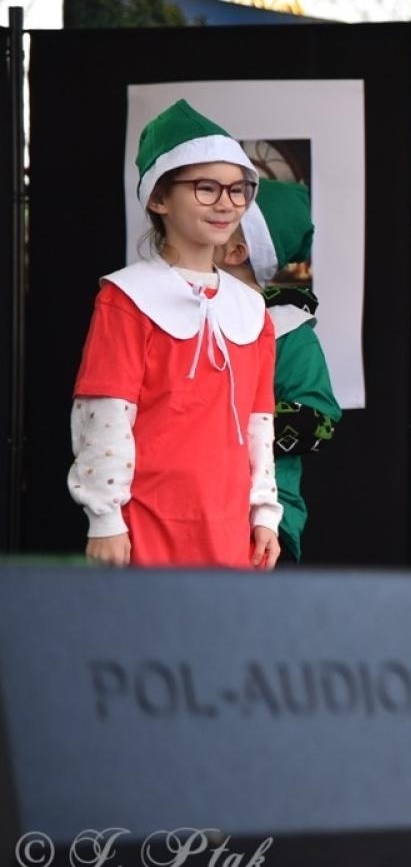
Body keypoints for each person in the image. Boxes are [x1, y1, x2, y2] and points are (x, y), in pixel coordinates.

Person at [69, 98, 280, 569]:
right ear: (159, 199)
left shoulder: (251, 309)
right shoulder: (127, 298)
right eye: (206, 188)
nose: (226, 203)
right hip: (147, 518)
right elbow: (105, 412)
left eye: (238, 190)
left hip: (228, 523)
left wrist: (264, 510)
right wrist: (106, 518)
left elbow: (258, 421)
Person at [216, 178, 341, 563]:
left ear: (237, 251)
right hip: (184, 509)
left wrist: (218, 429)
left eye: (220, 218)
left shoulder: (288, 329)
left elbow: (317, 421)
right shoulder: (180, 314)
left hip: (261, 522)